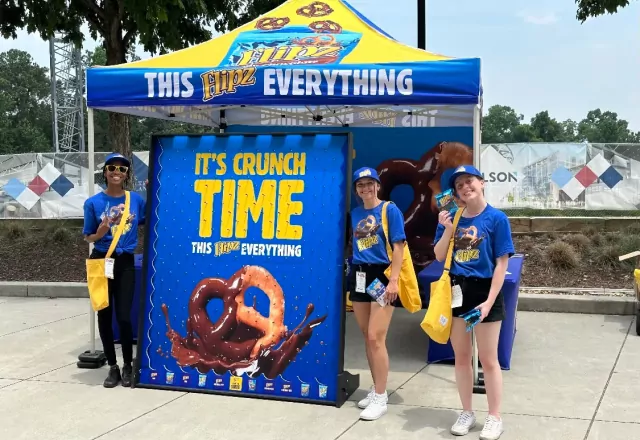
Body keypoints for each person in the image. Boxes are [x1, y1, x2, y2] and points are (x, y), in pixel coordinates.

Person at [433, 165, 514, 440]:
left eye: (470, 181)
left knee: (489, 361)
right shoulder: (452, 218)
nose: (465, 187)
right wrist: (446, 230)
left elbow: (502, 264)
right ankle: (467, 411)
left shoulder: (497, 218)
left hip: (484, 293)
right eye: (459, 186)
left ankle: (494, 417)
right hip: (457, 292)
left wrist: (490, 302)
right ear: (455, 193)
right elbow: (438, 256)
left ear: (482, 183)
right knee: (462, 357)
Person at [83, 153, 146, 388]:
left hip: (125, 262)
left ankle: (128, 364)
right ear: (105, 172)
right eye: (111, 167)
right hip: (101, 260)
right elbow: (88, 236)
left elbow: (150, 218)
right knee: (104, 314)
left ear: (127, 173)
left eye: (122, 168)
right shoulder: (93, 203)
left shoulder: (136, 200)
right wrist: (102, 230)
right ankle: (112, 366)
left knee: (123, 315)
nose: (116, 172)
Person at [347, 166, 405, 421]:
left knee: (375, 336)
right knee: (365, 335)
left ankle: (381, 397)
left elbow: (399, 246)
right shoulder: (355, 213)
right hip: (360, 276)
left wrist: (394, 281)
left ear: (378, 186)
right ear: (356, 190)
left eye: (370, 183)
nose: (365, 188)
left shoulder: (389, 210)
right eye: (360, 185)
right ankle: (375, 388)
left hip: (382, 276)